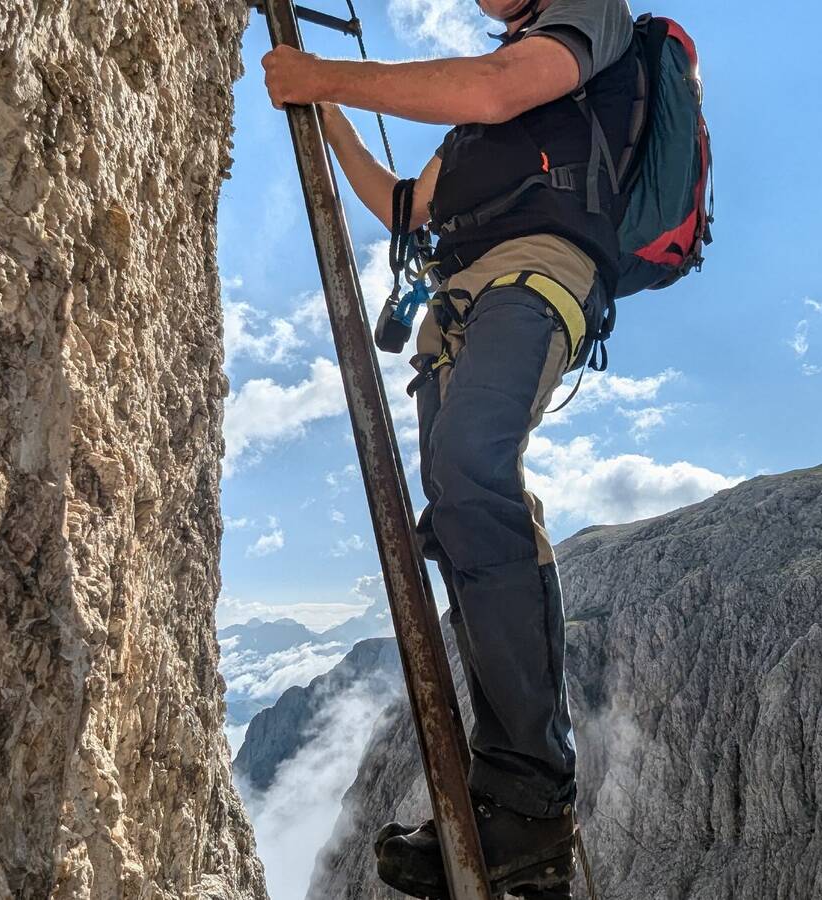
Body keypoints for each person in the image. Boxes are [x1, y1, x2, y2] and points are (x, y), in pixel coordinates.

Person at [262, 0, 636, 894]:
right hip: (459, 307)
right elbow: (402, 204)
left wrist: (324, 76)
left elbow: (500, 88)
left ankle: (535, 797)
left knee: (471, 469)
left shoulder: (590, 16)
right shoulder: (476, 121)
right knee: (461, 520)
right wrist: (323, 106)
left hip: (538, 273)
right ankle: (502, 801)